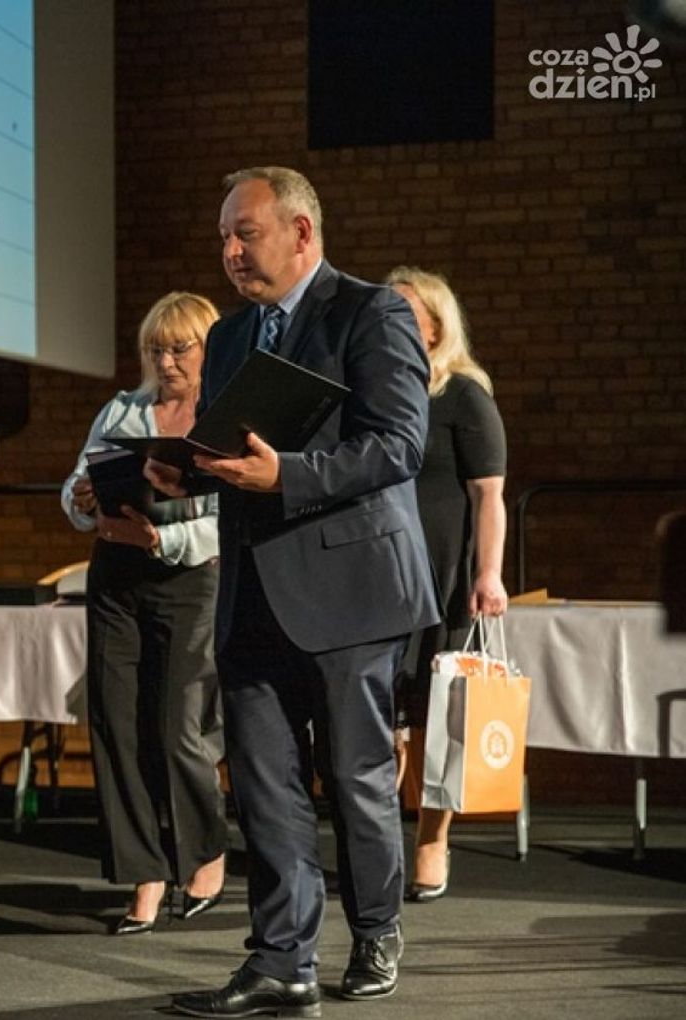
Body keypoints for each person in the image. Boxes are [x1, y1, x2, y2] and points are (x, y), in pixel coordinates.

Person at [156, 167, 438, 1018]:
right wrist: (171, 478)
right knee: (266, 786)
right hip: (254, 592)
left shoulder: (371, 312)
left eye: (245, 234)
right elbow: (227, 455)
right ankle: (282, 959)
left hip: (353, 590)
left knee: (354, 778)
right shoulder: (230, 336)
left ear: (302, 232)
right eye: (223, 238)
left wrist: (289, 475)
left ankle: (377, 929)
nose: (230, 252)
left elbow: (399, 445)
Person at [61, 291, 228, 935]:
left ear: (208, 348)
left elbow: (232, 518)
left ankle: (204, 852)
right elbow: (77, 484)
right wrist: (81, 500)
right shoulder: (123, 410)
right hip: (116, 576)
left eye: (179, 348)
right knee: (117, 725)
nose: (166, 361)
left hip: (189, 579)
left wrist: (163, 538)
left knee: (178, 727)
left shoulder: (221, 416)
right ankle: (146, 874)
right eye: (155, 349)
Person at [385, 266, 509, 903]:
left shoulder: (462, 396)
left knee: (439, 717)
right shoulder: (374, 392)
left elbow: (489, 496)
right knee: (381, 718)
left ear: (436, 327)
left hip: (443, 577)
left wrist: (488, 573)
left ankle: (432, 841)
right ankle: (379, 842)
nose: (393, 323)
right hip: (380, 577)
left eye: (407, 313)